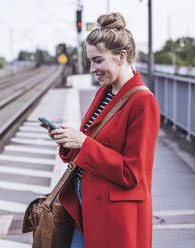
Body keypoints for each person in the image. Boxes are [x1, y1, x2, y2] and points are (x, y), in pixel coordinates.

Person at [47, 12, 160, 248]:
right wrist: (68, 140)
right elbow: (93, 146)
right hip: (86, 208)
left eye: (98, 60)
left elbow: (132, 173)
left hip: (115, 218)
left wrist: (84, 143)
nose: (92, 68)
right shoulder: (105, 92)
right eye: (91, 61)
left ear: (121, 57)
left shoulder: (143, 101)